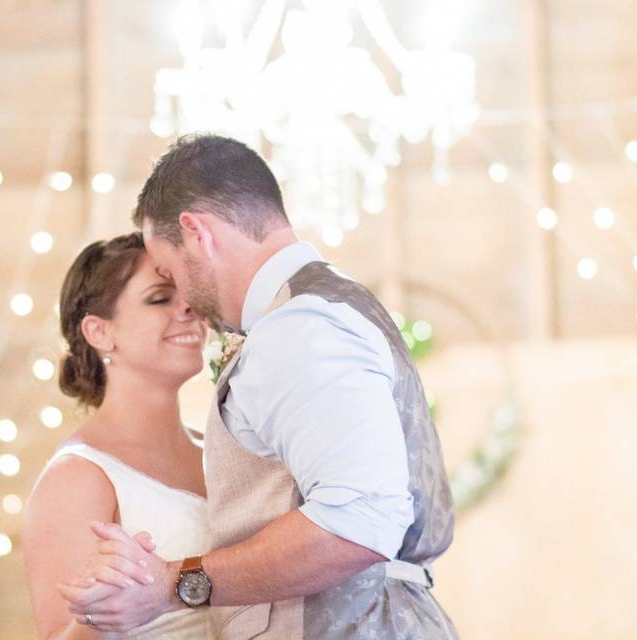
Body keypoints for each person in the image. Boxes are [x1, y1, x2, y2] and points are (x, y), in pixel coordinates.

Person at [58, 135, 459, 639]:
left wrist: (171, 585)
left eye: (169, 270)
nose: (181, 296)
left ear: (197, 233)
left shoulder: (299, 327)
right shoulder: (323, 307)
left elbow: (359, 520)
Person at [23, 232, 213, 639]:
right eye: (160, 298)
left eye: (188, 292)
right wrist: (98, 611)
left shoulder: (221, 448)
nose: (189, 308)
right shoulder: (77, 478)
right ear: (100, 332)